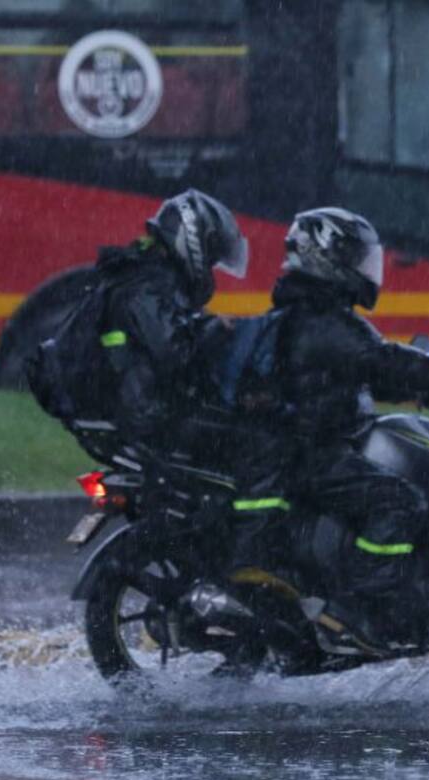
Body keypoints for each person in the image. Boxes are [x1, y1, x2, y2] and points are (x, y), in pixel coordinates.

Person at [270, 207, 429, 653]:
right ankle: (361, 609)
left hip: (327, 440)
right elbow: (389, 361)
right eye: (356, 258)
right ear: (325, 258)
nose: (367, 269)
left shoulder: (319, 315)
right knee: (400, 502)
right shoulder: (322, 322)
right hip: (313, 453)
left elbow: (373, 374)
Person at [94, 189, 294, 560]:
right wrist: (214, 329)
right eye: (212, 253)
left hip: (153, 405)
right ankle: (252, 552)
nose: (213, 266)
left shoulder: (152, 279)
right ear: (192, 240)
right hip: (152, 414)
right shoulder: (146, 284)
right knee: (267, 444)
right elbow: (173, 352)